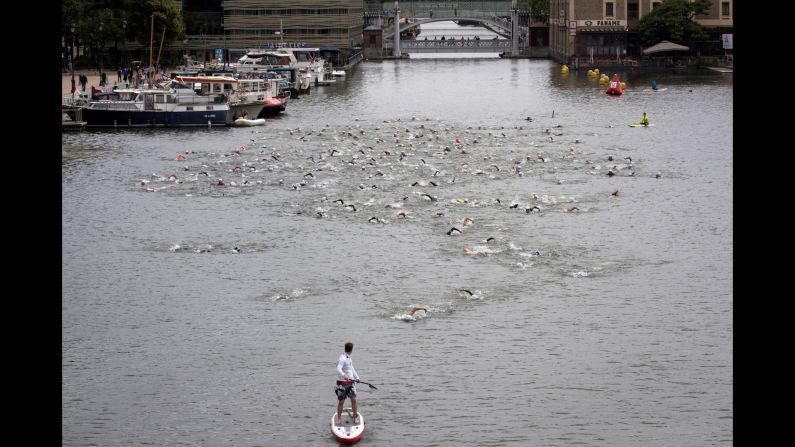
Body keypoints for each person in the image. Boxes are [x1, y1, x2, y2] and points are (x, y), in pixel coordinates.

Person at [335, 342, 362, 425]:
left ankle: (355, 417)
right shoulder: (342, 358)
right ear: (351, 350)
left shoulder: (349, 358)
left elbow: (351, 368)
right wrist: (344, 375)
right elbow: (338, 369)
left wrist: (357, 378)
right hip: (342, 384)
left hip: (351, 382)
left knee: (354, 400)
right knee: (341, 402)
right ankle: (339, 419)